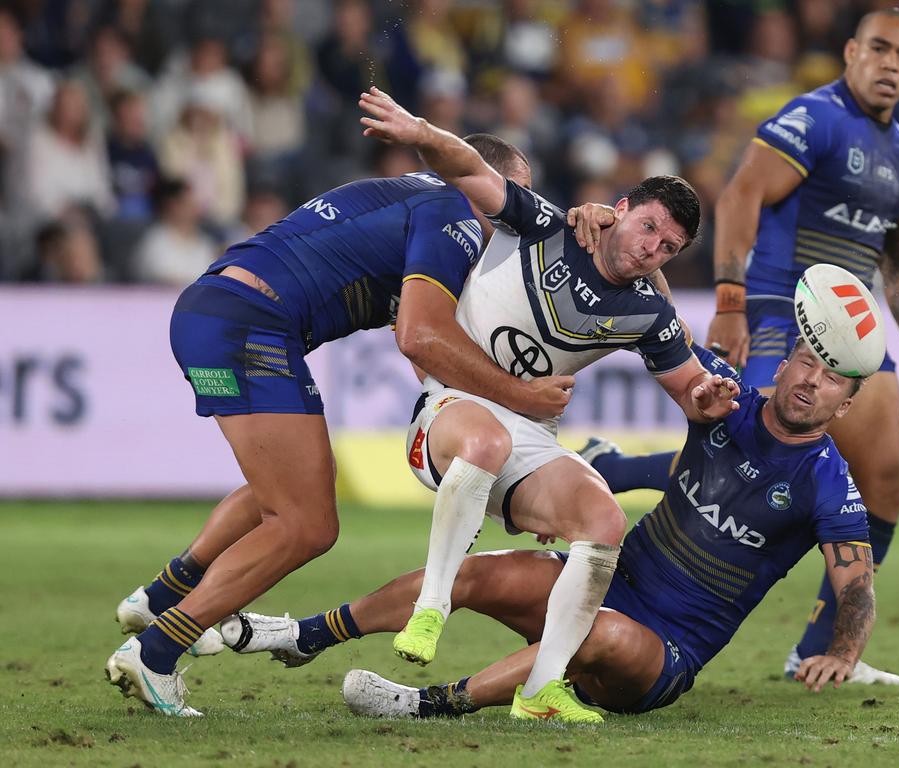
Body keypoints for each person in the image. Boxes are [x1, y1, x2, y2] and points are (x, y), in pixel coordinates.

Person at [223, 86, 739, 725]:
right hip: (451, 409)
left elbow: (689, 386)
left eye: (667, 247)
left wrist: (707, 397)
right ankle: (432, 605)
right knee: (485, 443)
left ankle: (543, 689)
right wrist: (419, 129)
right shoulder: (547, 224)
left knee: (603, 522)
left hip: (531, 433)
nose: (650, 248)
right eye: (648, 227)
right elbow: (471, 167)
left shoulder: (648, 312)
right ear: (621, 208)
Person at [104, 133, 578, 718]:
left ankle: (162, 597)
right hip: (253, 329)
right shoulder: (454, 217)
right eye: (516, 198)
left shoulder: (414, 201)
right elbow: (421, 338)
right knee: (308, 525)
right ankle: (155, 652)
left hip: (215, 312)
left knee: (291, 484)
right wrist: (522, 397)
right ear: (483, 182)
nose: (519, 217)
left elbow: (426, 353)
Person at [226, 339, 877, 721]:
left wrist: (842, 651)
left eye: (830, 382)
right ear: (785, 363)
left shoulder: (827, 480)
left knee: (595, 633)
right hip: (605, 581)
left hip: (662, 652)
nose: (811, 383)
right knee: (479, 572)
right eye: (806, 364)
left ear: (843, 406)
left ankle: (430, 703)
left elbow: (856, 583)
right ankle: (307, 634)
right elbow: (658, 326)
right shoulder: (722, 399)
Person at [600, 8, 899, 685]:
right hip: (782, 312)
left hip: (852, 331)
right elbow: (741, 193)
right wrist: (729, 299)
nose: (891, 64)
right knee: (742, 456)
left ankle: (818, 649)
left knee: (888, 481)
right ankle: (605, 469)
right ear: (851, 52)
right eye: (879, 48)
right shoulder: (816, 118)